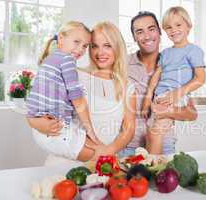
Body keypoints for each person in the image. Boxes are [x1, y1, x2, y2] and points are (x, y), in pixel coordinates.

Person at [27, 21, 136, 162]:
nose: (100, 52)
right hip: (65, 160)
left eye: (107, 45)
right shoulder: (74, 73)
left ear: (118, 47)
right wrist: (37, 124)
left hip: (100, 162)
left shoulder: (127, 86)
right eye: (94, 46)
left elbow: (129, 128)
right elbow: (38, 104)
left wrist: (108, 151)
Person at [118, 10, 199, 156]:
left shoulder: (177, 62)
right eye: (140, 31)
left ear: (159, 32)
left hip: (165, 145)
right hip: (128, 147)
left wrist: (168, 111)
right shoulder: (123, 64)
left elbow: (192, 114)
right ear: (134, 37)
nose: (147, 36)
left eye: (151, 29)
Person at [26, 21, 101, 162]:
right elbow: (77, 98)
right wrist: (90, 130)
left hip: (44, 128)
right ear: (61, 38)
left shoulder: (50, 60)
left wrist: (34, 121)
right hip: (57, 128)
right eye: (76, 42)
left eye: (85, 46)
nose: (80, 49)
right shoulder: (67, 60)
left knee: (100, 152)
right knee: (99, 157)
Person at [141, 7, 206, 154]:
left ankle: (154, 171)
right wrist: (147, 98)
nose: (173, 30)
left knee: (155, 133)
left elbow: (200, 78)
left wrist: (177, 94)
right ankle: (150, 168)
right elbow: (156, 76)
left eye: (178, 25)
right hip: (160, 97)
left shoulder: (193, 51)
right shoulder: (165, 53)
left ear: (188, 26)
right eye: (169, 27)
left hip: (177, 96)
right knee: (150, 135)